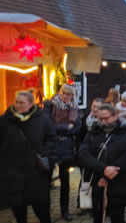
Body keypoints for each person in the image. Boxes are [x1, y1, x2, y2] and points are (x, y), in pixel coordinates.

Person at [0, 90, 56, 223]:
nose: (18, 105)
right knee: (18, 209)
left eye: (22, 102)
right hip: (12, 173)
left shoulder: (42, 120)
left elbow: (52, 138)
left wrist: (44, 153)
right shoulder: (4, 120)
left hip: (35, 171)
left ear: (31, 104)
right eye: (16, 102)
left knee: (41, 208)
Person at [78, 104, 126, 223]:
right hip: (96, 182)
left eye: (106, 118)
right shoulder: (91, 134)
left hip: (118, 182)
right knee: (98, 216)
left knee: (117, 217)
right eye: (100, 119)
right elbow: (84, 155)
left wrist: (108, 175)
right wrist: (103, 169)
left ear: (115, 116)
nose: (103, 122)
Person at [42, 84, 82, 221]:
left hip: (66, 147)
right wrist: (65, 127)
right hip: (51, 147)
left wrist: (58, 129)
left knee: (65, 182)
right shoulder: (49, 106)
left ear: (72, 95)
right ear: (60, 92)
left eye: (69, 94)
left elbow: (77, 128)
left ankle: (65, 211)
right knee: (46, 182)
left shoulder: (75, 108)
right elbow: (47, 126)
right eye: (63, 93)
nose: (65, 96)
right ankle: (45, 213)